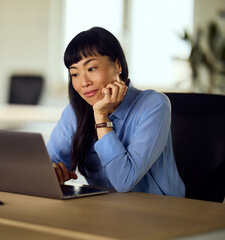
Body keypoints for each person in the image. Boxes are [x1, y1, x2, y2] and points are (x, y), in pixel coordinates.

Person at [47, 27, 185, 197]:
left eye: (91, 69)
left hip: (161, 212)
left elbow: (123, 182)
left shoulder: (154, 105)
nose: (83, 82)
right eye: (75, 74)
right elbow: (47, 164)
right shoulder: (76, 111)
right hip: (104, 210)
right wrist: (53, 171)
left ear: (118, 65)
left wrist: (101, 117)